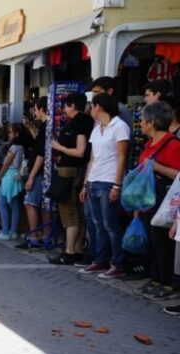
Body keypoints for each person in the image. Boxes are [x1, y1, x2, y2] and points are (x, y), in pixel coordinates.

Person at [129, 102, 180, 300]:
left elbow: (178, 174)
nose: (140, 123)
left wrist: (157, 167)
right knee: (152, 241)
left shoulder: (173, 145)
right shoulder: (148, 144)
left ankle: (167, 284)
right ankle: (155, 279)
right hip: (147, 199)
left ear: (152, 122)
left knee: (163, 243)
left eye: (142, 120)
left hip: (165, 200)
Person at [78, 93, 130, 278]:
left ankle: (117, 263)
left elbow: (122, 157)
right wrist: (85, 183)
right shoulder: (96, 128)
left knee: (111, 225)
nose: (91, 110)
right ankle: (100, 260)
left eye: (92, 106)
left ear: (99, 107)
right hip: (94, 180)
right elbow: (92, 158)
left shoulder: (120, 127)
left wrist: (117, 185)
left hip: (109, 180)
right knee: (97, 224)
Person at [49, 93, 92, 264]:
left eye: (66, 106)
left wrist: (59, 147)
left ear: (73, 106)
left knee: (69, 211)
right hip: (76, 169)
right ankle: (78, 249)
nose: (64, 109)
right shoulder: (83, 121)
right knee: (78, 212)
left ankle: (70, 251)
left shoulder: (80, 122)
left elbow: (80, 151)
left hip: (70, 169)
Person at [18, 97, 52, 249]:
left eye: (36, 109)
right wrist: (30, 127)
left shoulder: (47, 126)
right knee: (45, 204)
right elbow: (39, 142)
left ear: (41, 109)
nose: (34, 112)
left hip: (39, 171)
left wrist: (31, 176)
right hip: (45, 171)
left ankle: (34, 236)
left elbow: (41, 152)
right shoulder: (46, 126)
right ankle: (46, 235)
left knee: (30, 202)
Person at [0, 123, 30, 240]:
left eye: (10, 132)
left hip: (9, 175)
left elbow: (6, 164)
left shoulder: (13, 147)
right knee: (14, 205)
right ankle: (12, 231)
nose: (8, 134)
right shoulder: (22, 147)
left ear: (16, 134)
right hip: (16, 175)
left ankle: (5, 231)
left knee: (2, 203)